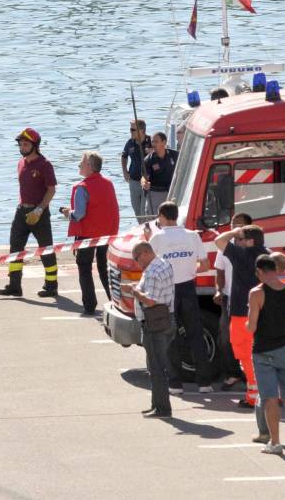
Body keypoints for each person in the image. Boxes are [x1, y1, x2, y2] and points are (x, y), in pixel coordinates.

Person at [147, 201, 213, 394]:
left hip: (168, 289)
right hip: (188, 288)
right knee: (196, 333)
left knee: (170, 335)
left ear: (161, 216)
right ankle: (204, 383)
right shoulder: (192, 236)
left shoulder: (157, 237)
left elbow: (150, 265)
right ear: (176, 215)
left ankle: (175, 383)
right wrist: (191, 270)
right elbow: (206, 265)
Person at [246, 254, 285, 454]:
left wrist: (247, 323)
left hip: (263, 351)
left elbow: (251, 327)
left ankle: (275, 442)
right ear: (275, 269)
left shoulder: (256, 293)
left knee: (270, 398)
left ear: (259, 272)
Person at [0, 128, 59, 298]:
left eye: (25, 144)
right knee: (15, 248)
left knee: (46, 250)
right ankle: (14, 285)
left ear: (35, 145)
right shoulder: (21, 163)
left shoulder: (44, 164)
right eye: (21, 144)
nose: (22, 147)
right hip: (21, 211)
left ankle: (51, 285)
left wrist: (39, 209)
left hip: (39, 213)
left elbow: (51, 190)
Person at [215, 223, 269, 409]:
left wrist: (232, 231)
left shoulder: (240, 254)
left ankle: (253, 396)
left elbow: (218, 241)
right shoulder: (268, 255)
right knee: (265, 354)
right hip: (265, 313)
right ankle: (272, 394)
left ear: (250, 241)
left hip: (241, 313)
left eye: (241, 238)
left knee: (245, 354)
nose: (238, 241)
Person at [60, 151, 118, 316]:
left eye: (81, 162)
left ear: (89, 167)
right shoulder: (108, 184)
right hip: (106, 234)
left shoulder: (82, 188)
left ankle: (89, 305)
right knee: (104, 269)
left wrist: (67, 213)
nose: (79, 165)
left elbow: (79, 214)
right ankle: (115, 301)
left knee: (84, 268)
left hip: (87, 235)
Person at [124, 241, 176, 418]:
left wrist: (135, 292)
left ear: (145, 253)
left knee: (156, 368)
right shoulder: (163, 264)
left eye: (137, 259)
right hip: (167, 319)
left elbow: (151, 300)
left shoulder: (152, 272)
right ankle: (156, 404)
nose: (137, 263)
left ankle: (162, 408)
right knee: (157, 365)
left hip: (155, 324)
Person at [214, 212, 251, 390]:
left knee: (252, 338)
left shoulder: (256, 247)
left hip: (252, 299)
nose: (234, 228)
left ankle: (253, 373)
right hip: (229, 298)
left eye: (238, 225)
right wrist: (218, 290)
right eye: (232, 225)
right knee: (226, 338)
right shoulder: (224, 248)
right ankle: (234, 372)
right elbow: (219, 272)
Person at [119, 119, 151, 221]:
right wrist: (124, 171)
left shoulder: (150, 141)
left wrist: (153, 151)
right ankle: (142, 228)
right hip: (133, 181)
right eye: (130, 129)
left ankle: (146, 229)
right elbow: (124, 156)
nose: (130, 132)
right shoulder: (130, 143)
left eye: (132, 129)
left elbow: (163, 151)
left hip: (147, 182)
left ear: (141, 130)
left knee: (144, 211)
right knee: (137, 210)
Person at [140, 132, 177, 214]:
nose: (153, 144)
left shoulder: (175, 155)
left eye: (156, 141)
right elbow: (144, 177)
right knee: (153, 220)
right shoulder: (148, 160)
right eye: (152, 142)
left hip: (173, 192)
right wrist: (144, 183)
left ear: (164, 142)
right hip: (156, 194)